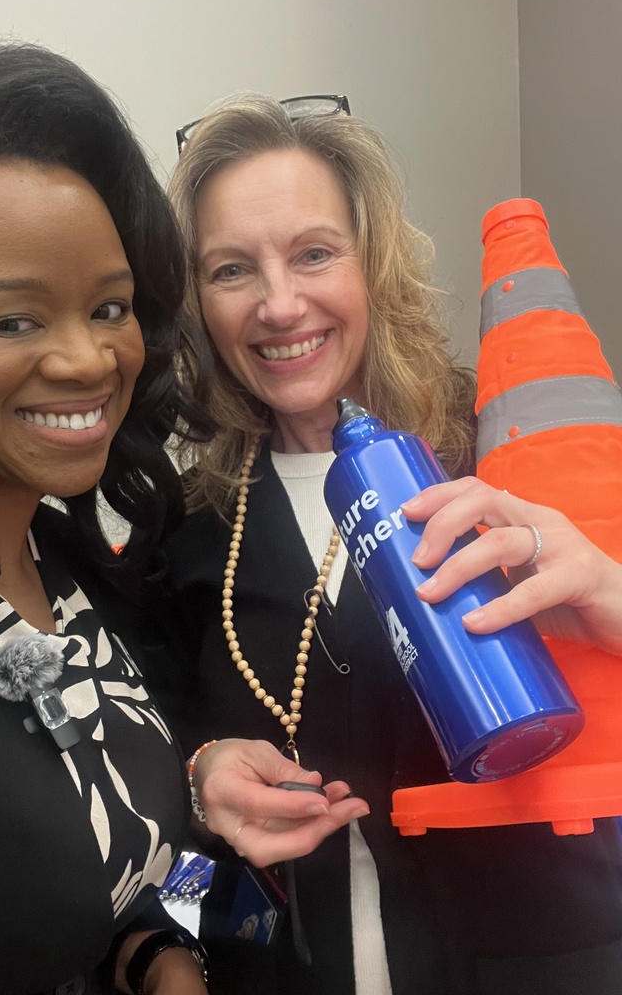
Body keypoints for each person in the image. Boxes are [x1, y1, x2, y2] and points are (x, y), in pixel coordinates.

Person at [0, 53, 369, 995]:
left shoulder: (69, 568)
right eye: (13, 321)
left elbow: (115, 864)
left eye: (109, 308)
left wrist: (153, 955)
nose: (88, 359)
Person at [163, 93, 622, 995]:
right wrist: (198, 778)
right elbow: (150, 813)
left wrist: (613, 598)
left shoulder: (511, 446)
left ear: (373, 263)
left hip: (548, 958)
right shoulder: (186, 532)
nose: (280, 303)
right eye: (229, 270)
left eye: (314, 253)